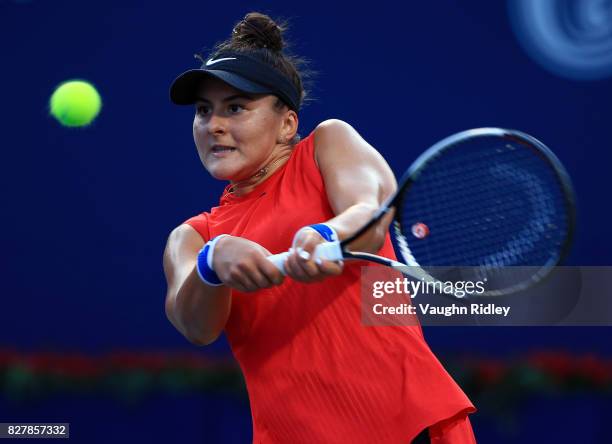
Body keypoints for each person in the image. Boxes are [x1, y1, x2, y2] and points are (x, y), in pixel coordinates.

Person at [164, 12, 476, 444]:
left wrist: (328, 235)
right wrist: (212, 263)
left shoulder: (328, 144)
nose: (213, 125)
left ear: (287, 124)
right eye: (204, 111)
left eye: (235, 107)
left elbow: (371, 212)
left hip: (409, 426)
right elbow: (195, 326)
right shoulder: (194, 237)